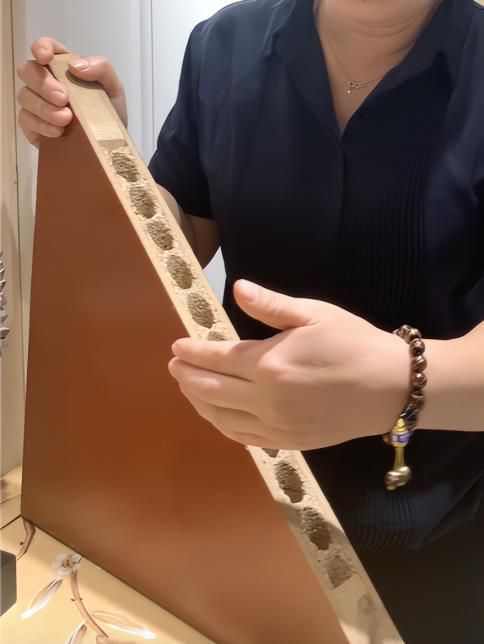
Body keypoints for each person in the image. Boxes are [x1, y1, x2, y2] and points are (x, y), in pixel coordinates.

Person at [17, 0, 484, 641]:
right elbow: (186, 239)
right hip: (239, 505)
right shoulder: (223, 45)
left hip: (436, 536)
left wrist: (401, 380)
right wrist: (107, 157)